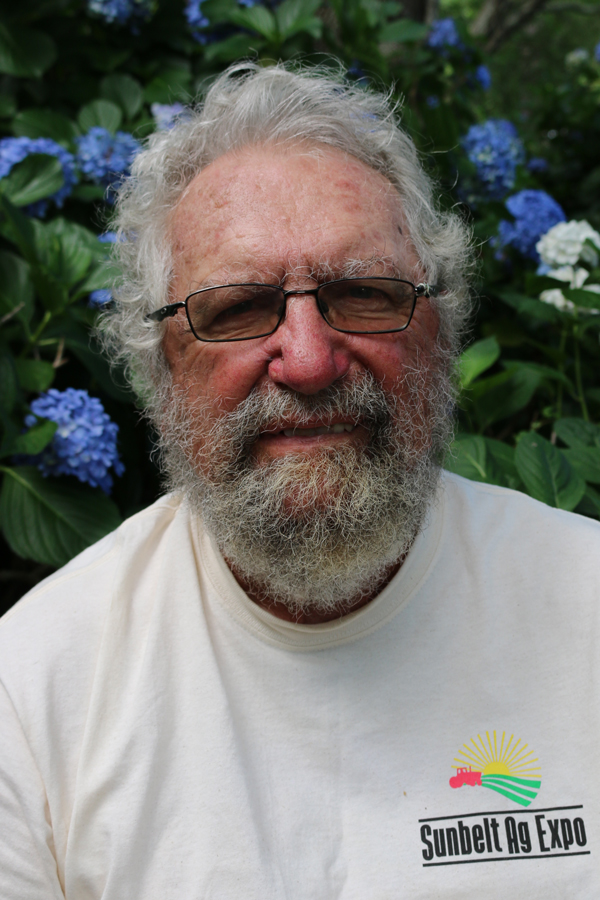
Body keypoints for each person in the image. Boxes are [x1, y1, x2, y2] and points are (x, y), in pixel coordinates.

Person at [0, 63, 598, 899]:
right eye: (238, 308)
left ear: (441, 327)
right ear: (159, 366)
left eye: (363, 292)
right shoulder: (35, 692)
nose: (310, 361)